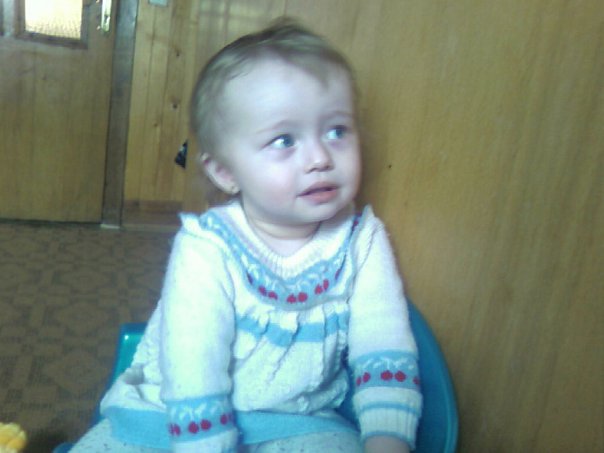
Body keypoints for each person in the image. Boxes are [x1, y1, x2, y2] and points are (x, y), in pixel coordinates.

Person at [71, 19, 422, 453]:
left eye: (337, 131)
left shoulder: (361, 239)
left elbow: (383, 344)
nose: (320, 157)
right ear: (225, 172)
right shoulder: (207, 246)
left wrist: (387, 438)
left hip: (300, 421)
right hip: (172, 413)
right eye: (284, 140)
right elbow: (194, 360)